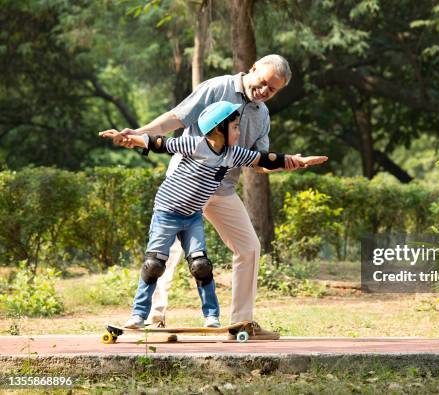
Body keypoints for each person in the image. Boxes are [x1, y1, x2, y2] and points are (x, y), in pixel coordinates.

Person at [105, 54, 297, 340]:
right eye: (263, 83)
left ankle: (241, 323)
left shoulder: (262, 114)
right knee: (163, 253)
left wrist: (283, 163)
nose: (264, 92)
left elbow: (257, 161)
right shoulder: (217, 87)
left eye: (273, 90)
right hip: (185, 182)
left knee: (249, 247)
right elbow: (175, 118)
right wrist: (138, 134)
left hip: (221, 188)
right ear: (253, 68)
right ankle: (153, 318)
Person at [100, 101, 327, 329]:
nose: (239, 132)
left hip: (192, 216)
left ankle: (211, 317)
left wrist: (298, 161)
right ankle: (139, 315)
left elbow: (265, 159)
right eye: (236, 127)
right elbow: (159, 143)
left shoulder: (234, 154)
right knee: (154, 264)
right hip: (166, 213)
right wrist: (128, 138)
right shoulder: (194, 145)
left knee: (201, 265)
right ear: (219, 128)